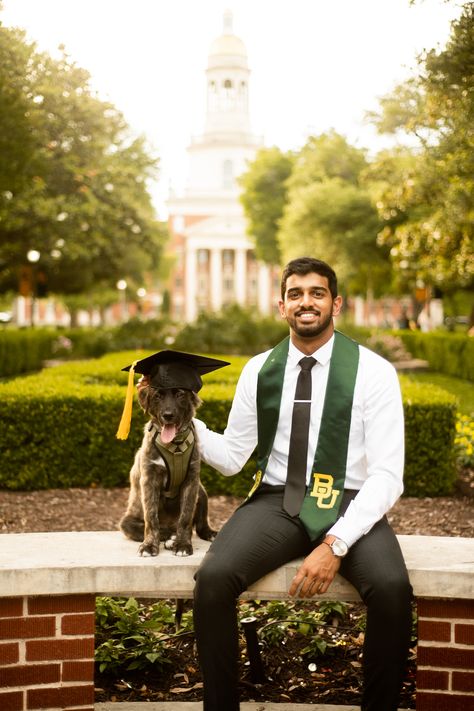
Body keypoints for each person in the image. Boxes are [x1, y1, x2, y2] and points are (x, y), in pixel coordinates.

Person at [142, 256, 413, 711]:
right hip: (278, 499)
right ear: (281, 306)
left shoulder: (374, 372)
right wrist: (179, 420)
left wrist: (336, 544)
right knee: (213, 579)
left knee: (391, 590)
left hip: (350, 502)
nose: (306, 302)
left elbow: (388, 475)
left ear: (336, 303)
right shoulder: (260, 370)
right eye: (295, 294)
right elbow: (231, 458)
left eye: (317, 293)